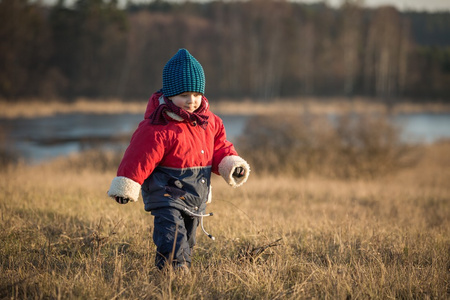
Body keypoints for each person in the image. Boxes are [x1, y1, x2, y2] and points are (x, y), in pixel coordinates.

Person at [107, 48, 250, 271]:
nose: (191, 101)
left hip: (195, 193)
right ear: (170, 94)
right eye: (184, 95)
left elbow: (220, 147)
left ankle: (175, 267)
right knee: (172, 235)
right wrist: (126, 187)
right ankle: (176, 270)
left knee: (189, 239)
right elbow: (138, 157)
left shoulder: (210, 122)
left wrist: (232, 164)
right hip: (166, 192)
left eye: (196, 94)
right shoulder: (158, 126)